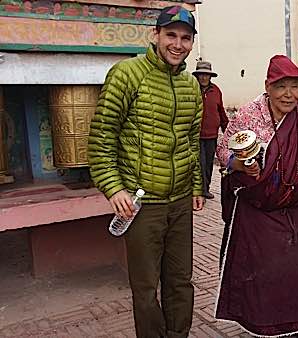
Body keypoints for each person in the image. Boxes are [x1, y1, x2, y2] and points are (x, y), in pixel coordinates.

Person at [87, 5, 204, 337]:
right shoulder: (127, 74)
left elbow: (191, 142)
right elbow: (102, 137)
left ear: (192, 42)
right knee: (145, 287)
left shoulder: (191, 86)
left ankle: (178, 334)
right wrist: (114, 187)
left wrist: (196, 186)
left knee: (180, 281)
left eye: (185, 38)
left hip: (180, 202)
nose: (177, 44)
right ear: (155, 35)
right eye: (171, 35)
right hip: (141, 203)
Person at [214, 55, 298, 337]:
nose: (289, 94)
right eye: (282, 86)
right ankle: (265, 325)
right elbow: (223, 152)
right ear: (268, 86)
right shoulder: (250, 115)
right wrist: (239, 164)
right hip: (260, 214)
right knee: (266, 275)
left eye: (295, 86)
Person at [192, 60, 228, 200]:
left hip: (211, 135)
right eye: (201, 74)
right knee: (199, 164)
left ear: (210, 76)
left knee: (208, 165)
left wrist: (227, 131)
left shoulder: (216, 91)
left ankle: (205, 189)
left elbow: (221, 112)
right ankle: (199, 191)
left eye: (206, 75)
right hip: (196, 135)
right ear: (197, 75)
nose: (203, 77)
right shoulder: (192, 89)